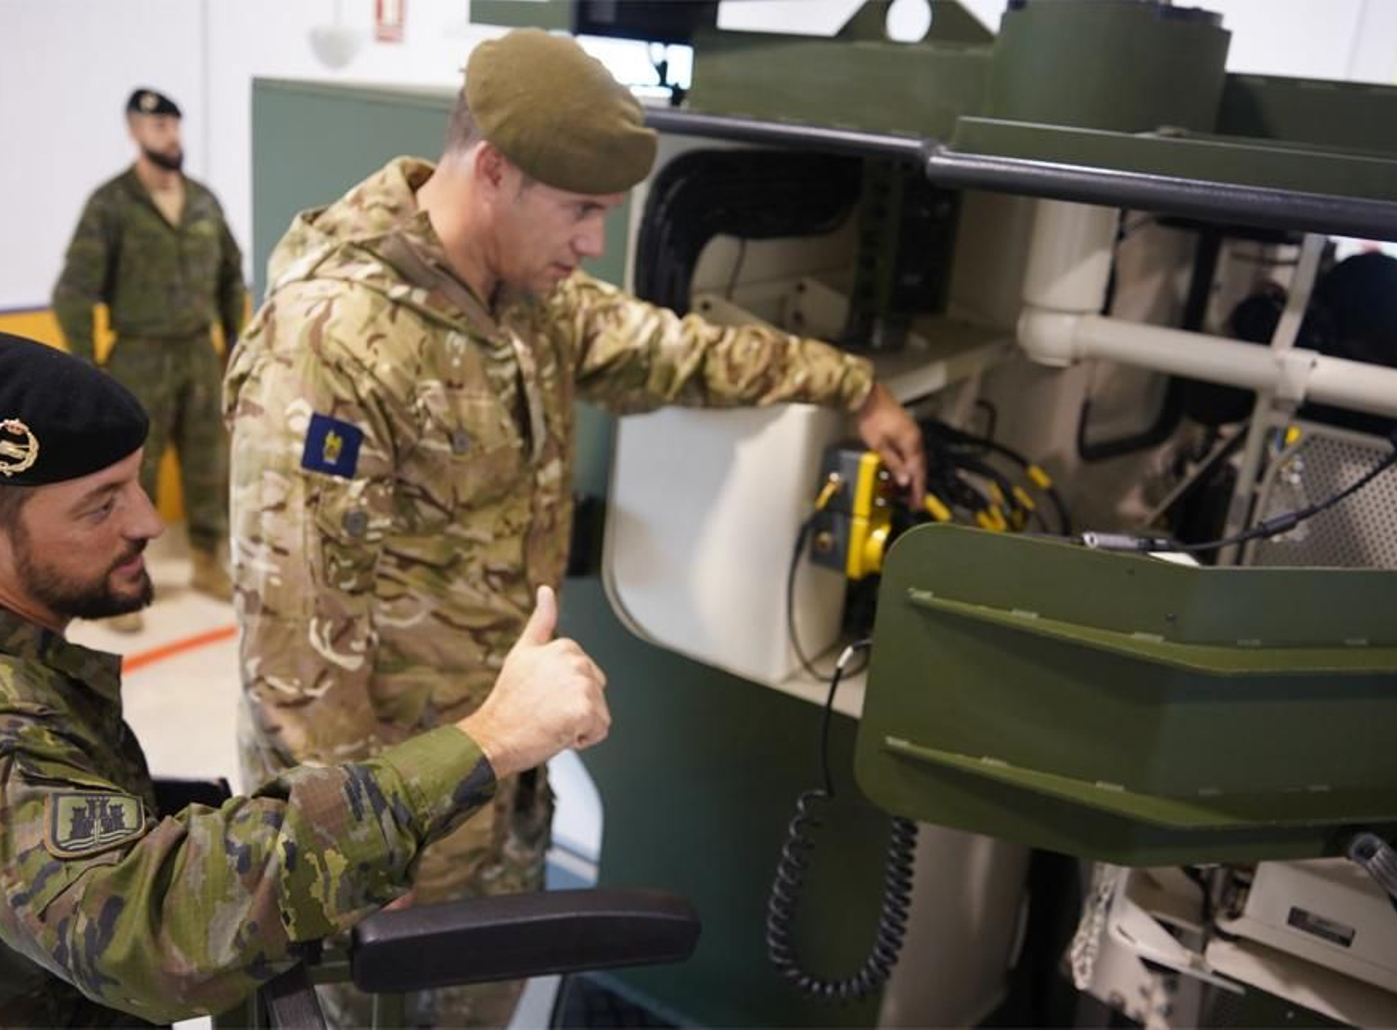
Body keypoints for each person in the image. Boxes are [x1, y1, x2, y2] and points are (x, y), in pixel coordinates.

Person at [225, 27, 926, 1026]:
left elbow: (677, 353)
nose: (595, 241)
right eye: (581, 210)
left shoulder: (523, 301)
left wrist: (853, 387)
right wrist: (352, 855)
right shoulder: (331, 340)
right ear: (492, 171)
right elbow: (294, 652)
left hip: (497, 787)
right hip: (384, 823)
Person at [0, 328, 610, 1026]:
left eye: (136, 483)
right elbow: (149, 934)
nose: (148, 522)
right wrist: (492, 738)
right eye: (100, 506)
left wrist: (313, 850)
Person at [53, 87, 246, 630]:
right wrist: (87, 368)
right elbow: (72, 292)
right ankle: (115, 582)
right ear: (135, 132)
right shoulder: (112, 204)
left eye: (175, 125)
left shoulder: (203, 201)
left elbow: (231, 277)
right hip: (138, 356)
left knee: (209, 465)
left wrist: (233, 345)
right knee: (130, 478)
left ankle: (208, 561)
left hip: (198, 354)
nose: (171, 136)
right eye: (159, 126)